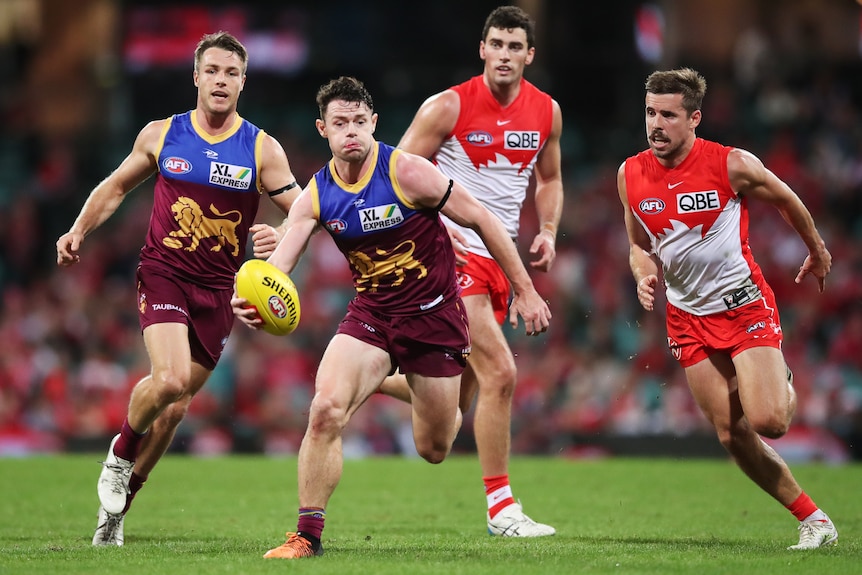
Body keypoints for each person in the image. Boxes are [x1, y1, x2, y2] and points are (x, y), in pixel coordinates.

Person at [231, 76, 551, 559]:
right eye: (340, 123)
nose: (351, 131)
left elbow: (483, 219)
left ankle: (386, 381)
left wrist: (525, 290)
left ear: (374, 123)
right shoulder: (317, 194)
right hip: (373, 316)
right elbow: (283, 261)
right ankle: (306, 536)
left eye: (360, 121)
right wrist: (256, 296)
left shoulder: (409, 172)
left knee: (435, 446)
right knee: (324, 410)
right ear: (323, 129)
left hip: (435, 319)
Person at [55, 31, 301, 547]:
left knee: (176, 409)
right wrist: (79, 229)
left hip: (220, 291)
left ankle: (116, 515)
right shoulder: (162, 134)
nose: (221, 80)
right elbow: (116, 186)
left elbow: (305, 210)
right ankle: (120, 456)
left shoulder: (261, 148)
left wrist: (279, 232)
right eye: (212, 70)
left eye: (231, 73)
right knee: (166, 381)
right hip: (164, 272)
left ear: (243, 82)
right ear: (196, 76)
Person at [617, 67, 837, 550]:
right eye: (650, 112)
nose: (656, 124)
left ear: (694, 118)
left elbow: (786, 198)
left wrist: (816, 250)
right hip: (685, 318)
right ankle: (814, 519)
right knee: (730, 434)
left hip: (741, 306)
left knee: (769, 422)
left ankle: (780, 380)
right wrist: (640, 273)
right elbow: (637, 244)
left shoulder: (730, 164)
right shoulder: (630, 173)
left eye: (669, 115)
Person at [376, 5, 563, 537]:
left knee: (448, 422)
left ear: (530, 54)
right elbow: (394, 172)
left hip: (500, 258)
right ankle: (502, 510)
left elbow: (550, 179)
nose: (504, 55)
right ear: (482, 49)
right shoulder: (448, 107)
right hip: (450, 257)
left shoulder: (547, 112)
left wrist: (548, 229)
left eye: (514, 47)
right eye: (496, 44)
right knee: (500, 372)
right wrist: (437, 227)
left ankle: (369, 377)